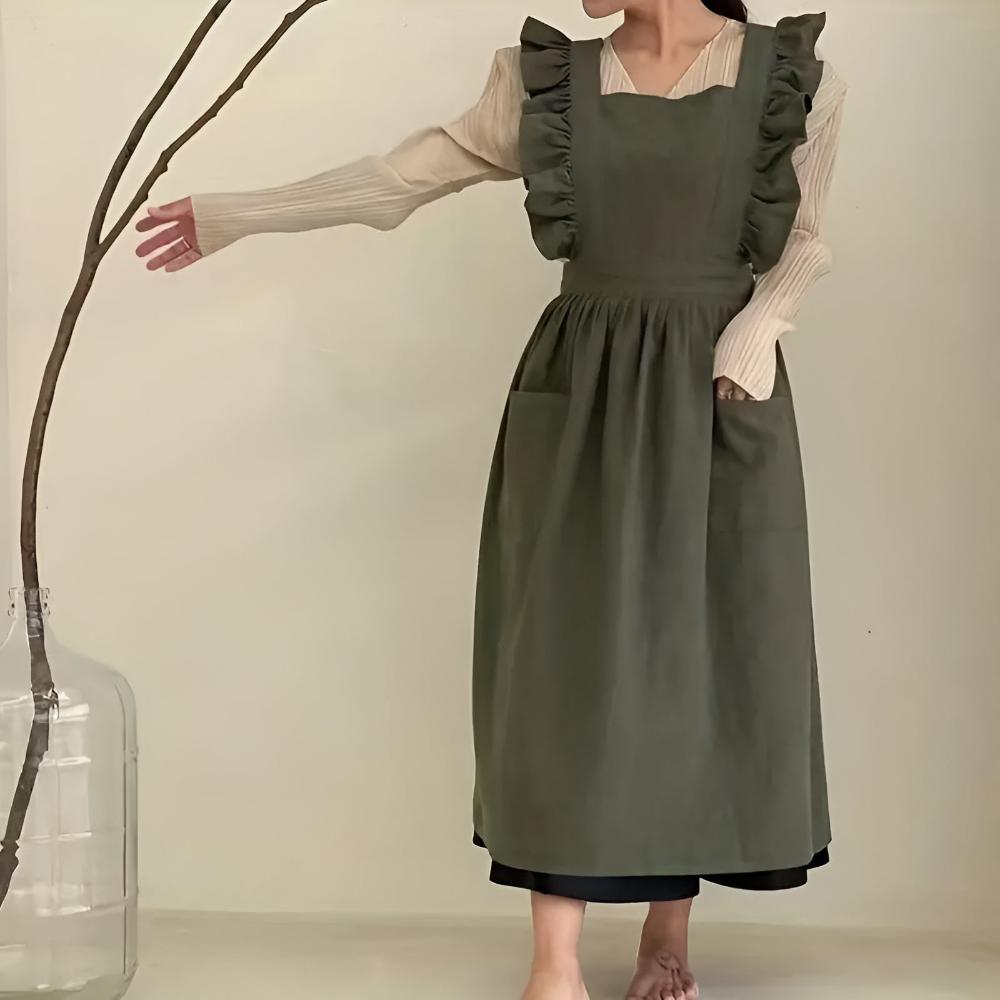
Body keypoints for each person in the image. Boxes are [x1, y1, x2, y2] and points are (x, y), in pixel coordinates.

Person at [136, 2, 847, 998]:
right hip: (584, 389)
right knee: (562, 660)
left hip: (722, 389)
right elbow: (401, 178)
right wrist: (235, 215)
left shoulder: (791, 79)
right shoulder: (545, 85)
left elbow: (805, 239)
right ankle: (553, 963)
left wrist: (759, 326)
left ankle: (666, 935)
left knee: (701, 648)